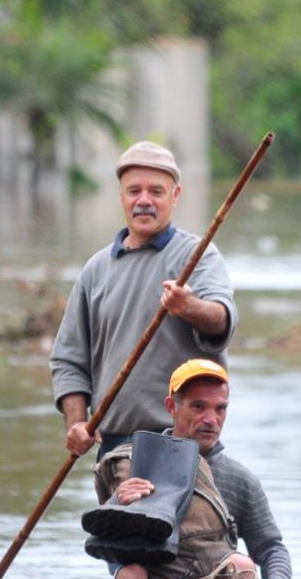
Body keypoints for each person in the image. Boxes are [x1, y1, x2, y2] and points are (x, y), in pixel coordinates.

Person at [50, 141, 238, 458]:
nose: (144, 201)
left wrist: (189, 307)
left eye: (156, 191)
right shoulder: (96, 270)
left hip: (183, 447)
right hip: (113, 447)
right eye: (134, 191)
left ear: (175, 196)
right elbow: (69, 359)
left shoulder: (198, 255)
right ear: (121, 195)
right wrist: (77, 423)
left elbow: (222, 319)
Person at [90, 359, 291, 579]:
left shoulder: (240, 479)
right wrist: (118, 502)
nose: (211, 419)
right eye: (198, 407)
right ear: (172, 407)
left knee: (241, 565)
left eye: (220, 409)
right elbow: (106, 543)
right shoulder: (134, 464)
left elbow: (271, 548)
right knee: (130, 573)